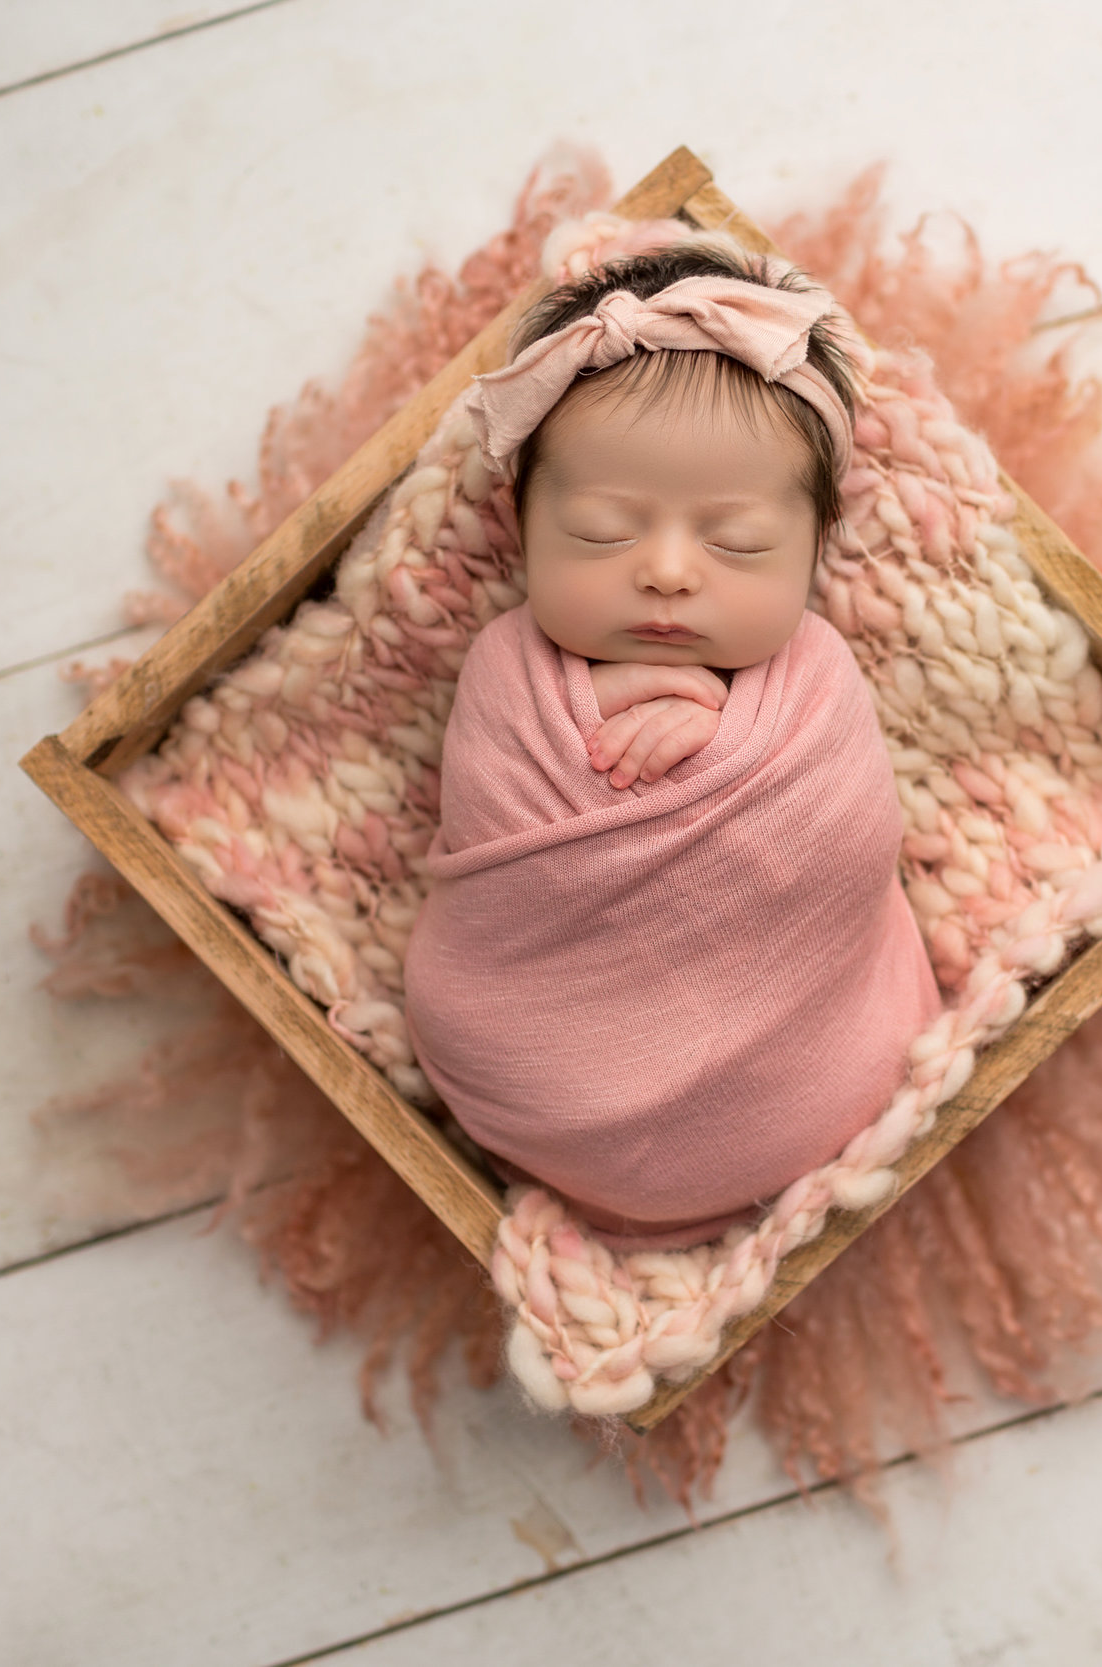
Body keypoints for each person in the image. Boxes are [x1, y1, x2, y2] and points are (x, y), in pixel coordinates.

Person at [400, 241, 944, 1250]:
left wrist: (714, 737)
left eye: (735, 542)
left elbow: (847, 836)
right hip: (540, 1066)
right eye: (602, 530)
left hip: (812, 1065)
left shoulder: (817, 678)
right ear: (520, 534)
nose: (663, 571)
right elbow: (501, 829)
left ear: (816, 552)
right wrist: (606, 720)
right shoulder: (503, 668)